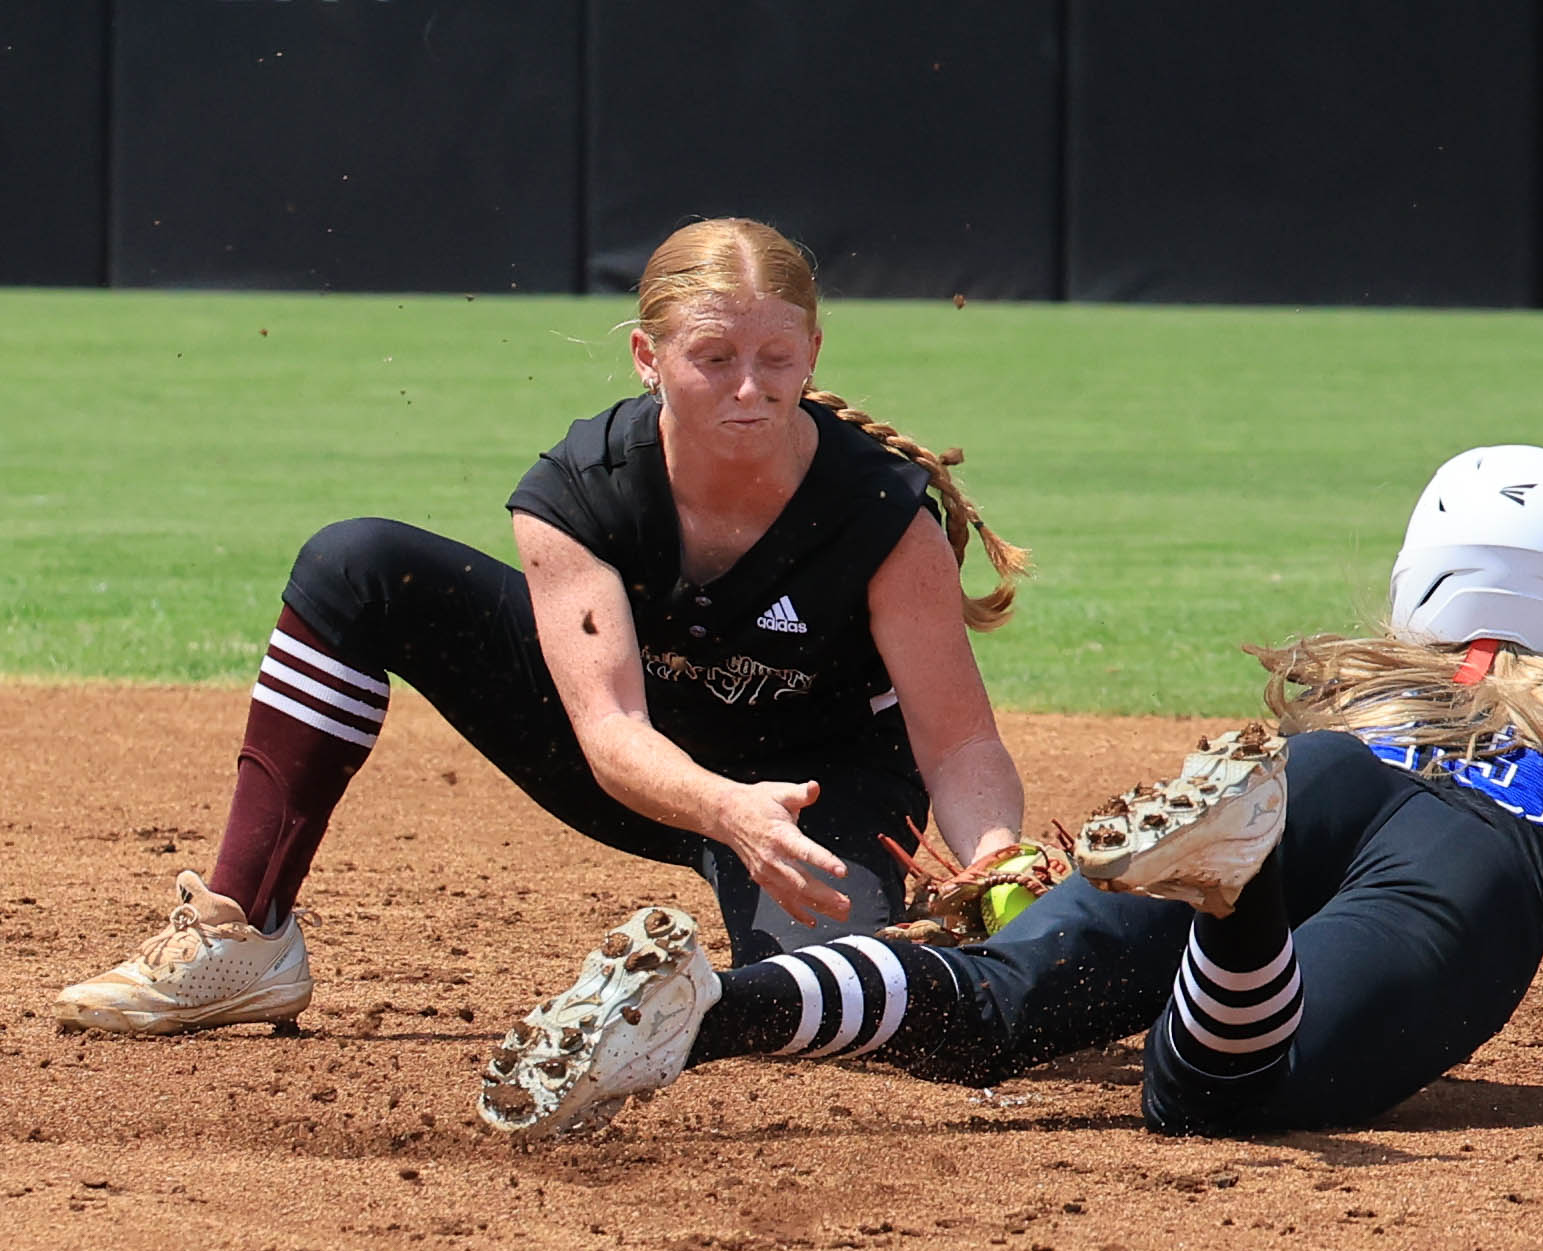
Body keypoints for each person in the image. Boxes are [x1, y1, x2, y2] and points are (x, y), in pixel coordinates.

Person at [476, 443, 1543, 1139]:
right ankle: (1232, 903)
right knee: (1215, 1093)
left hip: (1317, 772)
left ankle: (711, 1011)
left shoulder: (1354, 688)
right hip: (1450, 861)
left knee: (1011, 1001)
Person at [55, 217, 1030, 1036]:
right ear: (647, 356)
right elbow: (610, 732)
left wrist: (990, 857)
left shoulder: (880, 512)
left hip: (820, 790)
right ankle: (243, 932)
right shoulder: (581, 490)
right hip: (646, 760)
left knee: (837, 998)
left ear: (813, 353)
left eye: (776, 358)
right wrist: (724, 809)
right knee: (357, 566)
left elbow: (959, 743)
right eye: (714, 358)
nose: (750, 388)